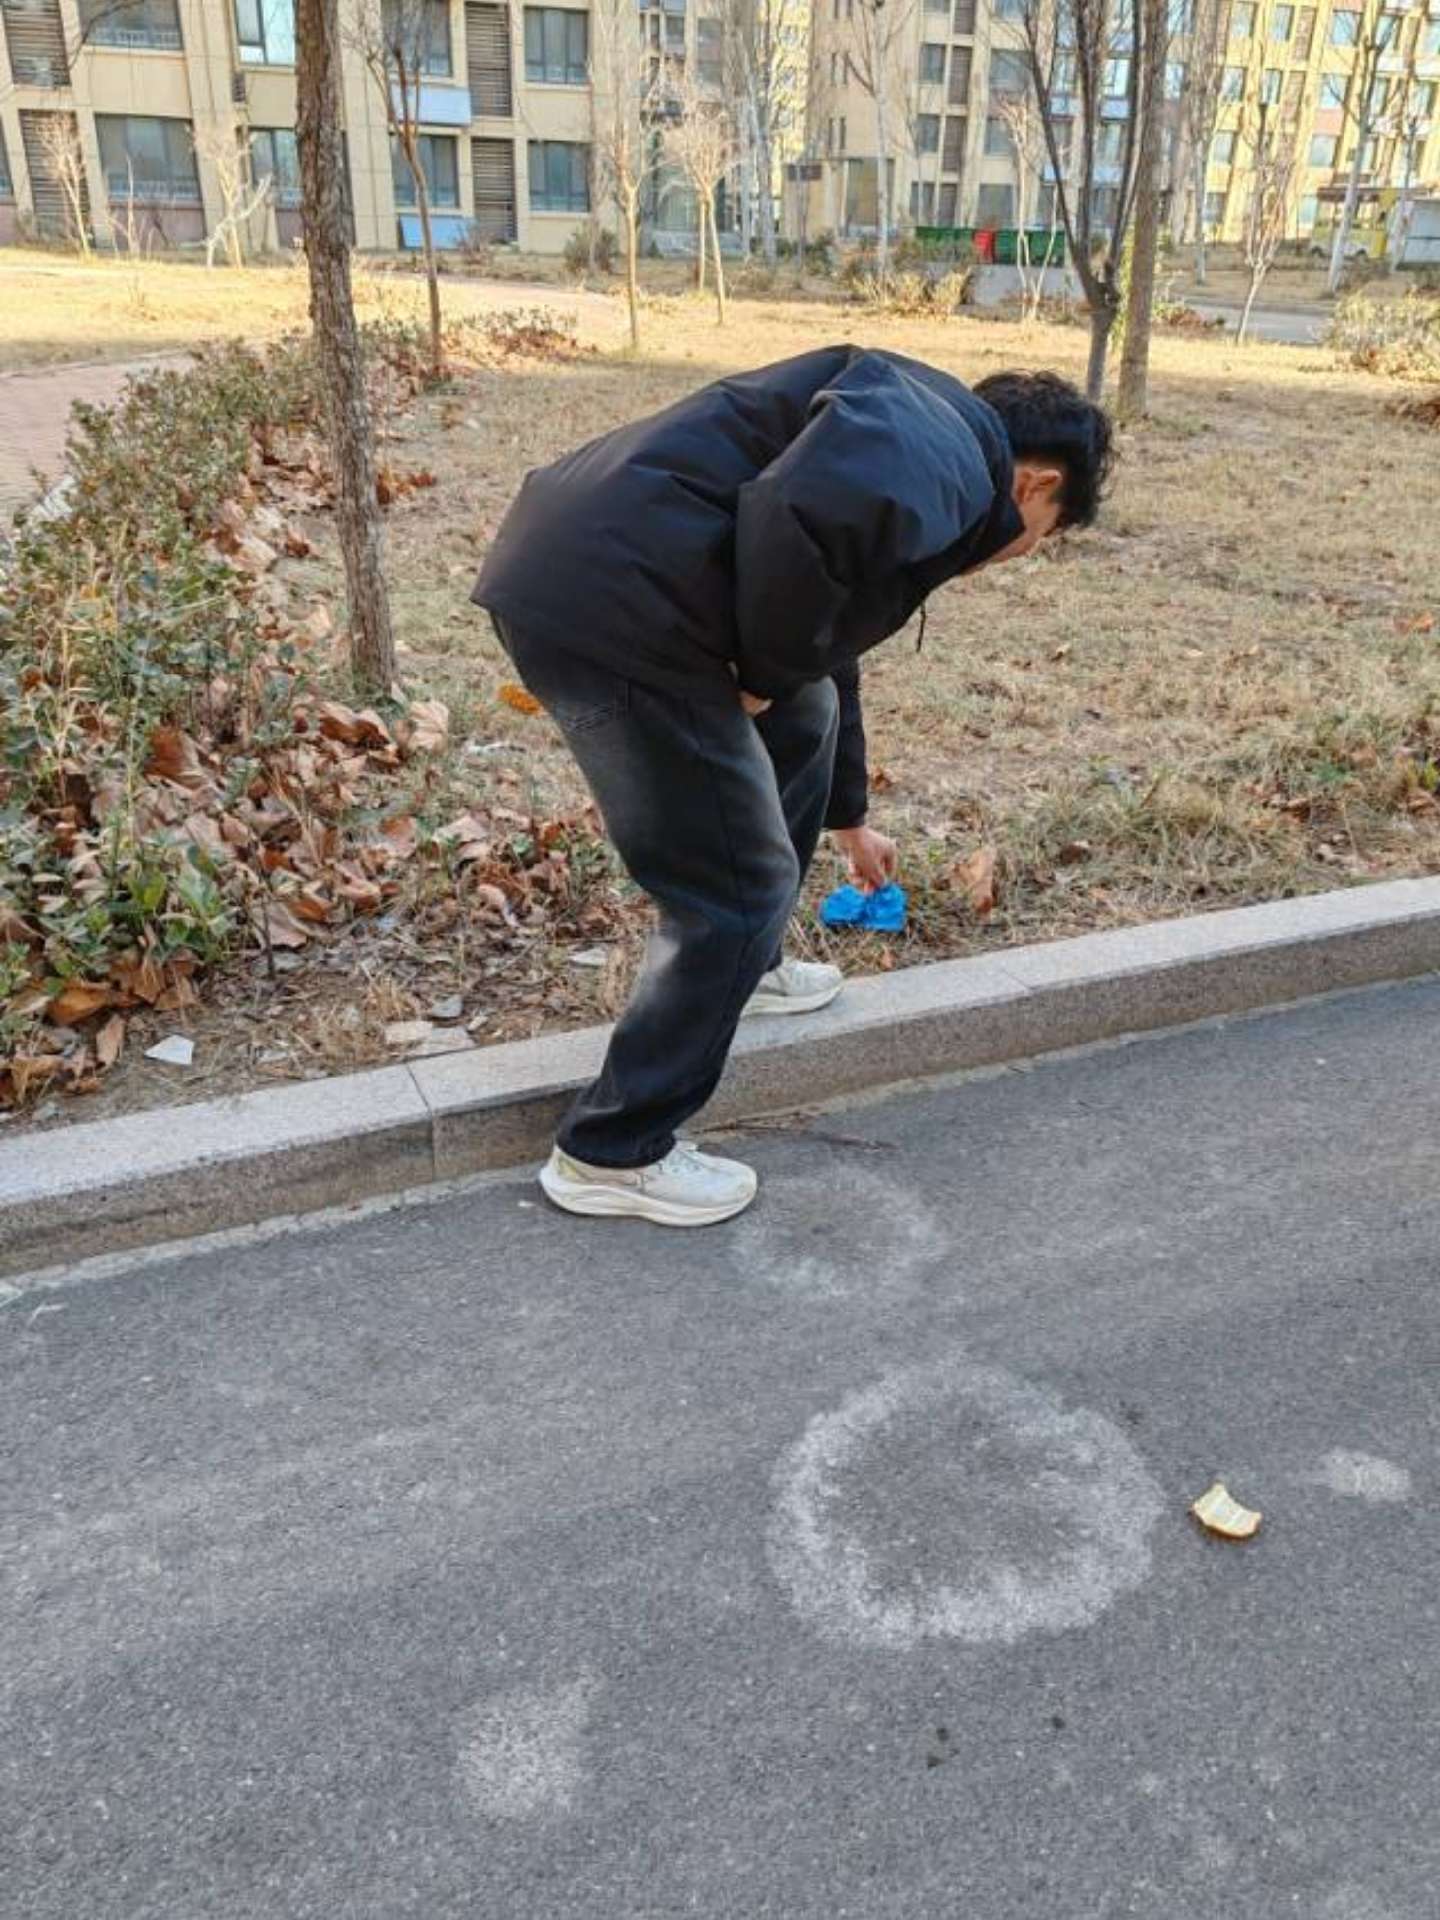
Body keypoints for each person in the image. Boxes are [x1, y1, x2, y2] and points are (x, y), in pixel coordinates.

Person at [472, 347, 1113, 1227]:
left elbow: (827, 637)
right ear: (1037, 485)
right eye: (1043, 535)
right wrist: (760, 673)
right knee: (736, 887)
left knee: (807, 711)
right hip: (619, 613)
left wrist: (848, 815)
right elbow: (791, 519)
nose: (1023, 551)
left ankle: (754, 966)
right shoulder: (947, 466)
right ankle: (613, 1150)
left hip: (592, 572)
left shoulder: (925, 426)